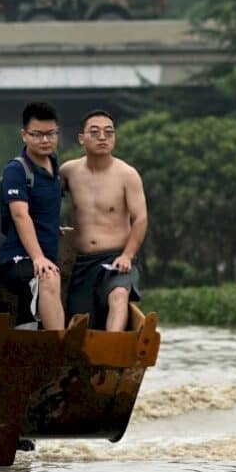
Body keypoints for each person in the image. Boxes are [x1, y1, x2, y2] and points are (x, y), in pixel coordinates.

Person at [61, 110, 148, 331]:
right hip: (82, 262)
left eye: (108, 132)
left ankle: (113, 348)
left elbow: (140, 218)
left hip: (116, 259)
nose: (102, 137)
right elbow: (45, 200)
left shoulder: (127, 174)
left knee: (118, 295)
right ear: (81, 138)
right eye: (95, 132)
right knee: (79, 323)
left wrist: (127, 255)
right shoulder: (68, 171)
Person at [0, 102, 64, 330]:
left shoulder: (54, 166)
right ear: (24, 135)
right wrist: (38, 258)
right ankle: (60, 345)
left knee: (29, 318)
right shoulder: (17, 170)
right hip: (20, 257)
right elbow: (20, 215)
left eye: (51, 134)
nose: (45, 140)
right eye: (37, 134)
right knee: (48, 278)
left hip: (47, 256)